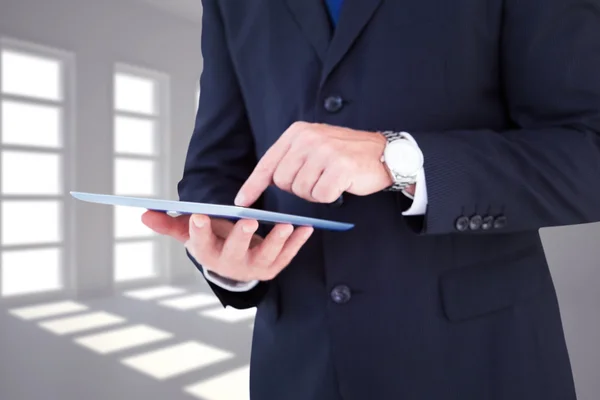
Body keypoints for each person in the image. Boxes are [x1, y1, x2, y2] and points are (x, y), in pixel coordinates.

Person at [142, 0, 600, 398]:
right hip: (298, 370)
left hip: (478, 363)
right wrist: (227, 255)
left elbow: (588, 151)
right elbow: (215, 166)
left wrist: (397, 158)